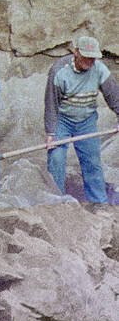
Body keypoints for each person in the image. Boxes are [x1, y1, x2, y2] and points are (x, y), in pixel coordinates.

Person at [43, 35, 119, 203]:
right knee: (56, 159)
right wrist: (51, 133)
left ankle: (99, 203)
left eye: (93, 58)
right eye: (86, 57)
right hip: (62, 119)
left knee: (92, 162)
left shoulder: (100, 70)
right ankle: (56, 204)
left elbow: (115, 97)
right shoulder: (58, 71)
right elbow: (51, 104)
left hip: (86, 120)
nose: (90, 61)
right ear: (76, 52)